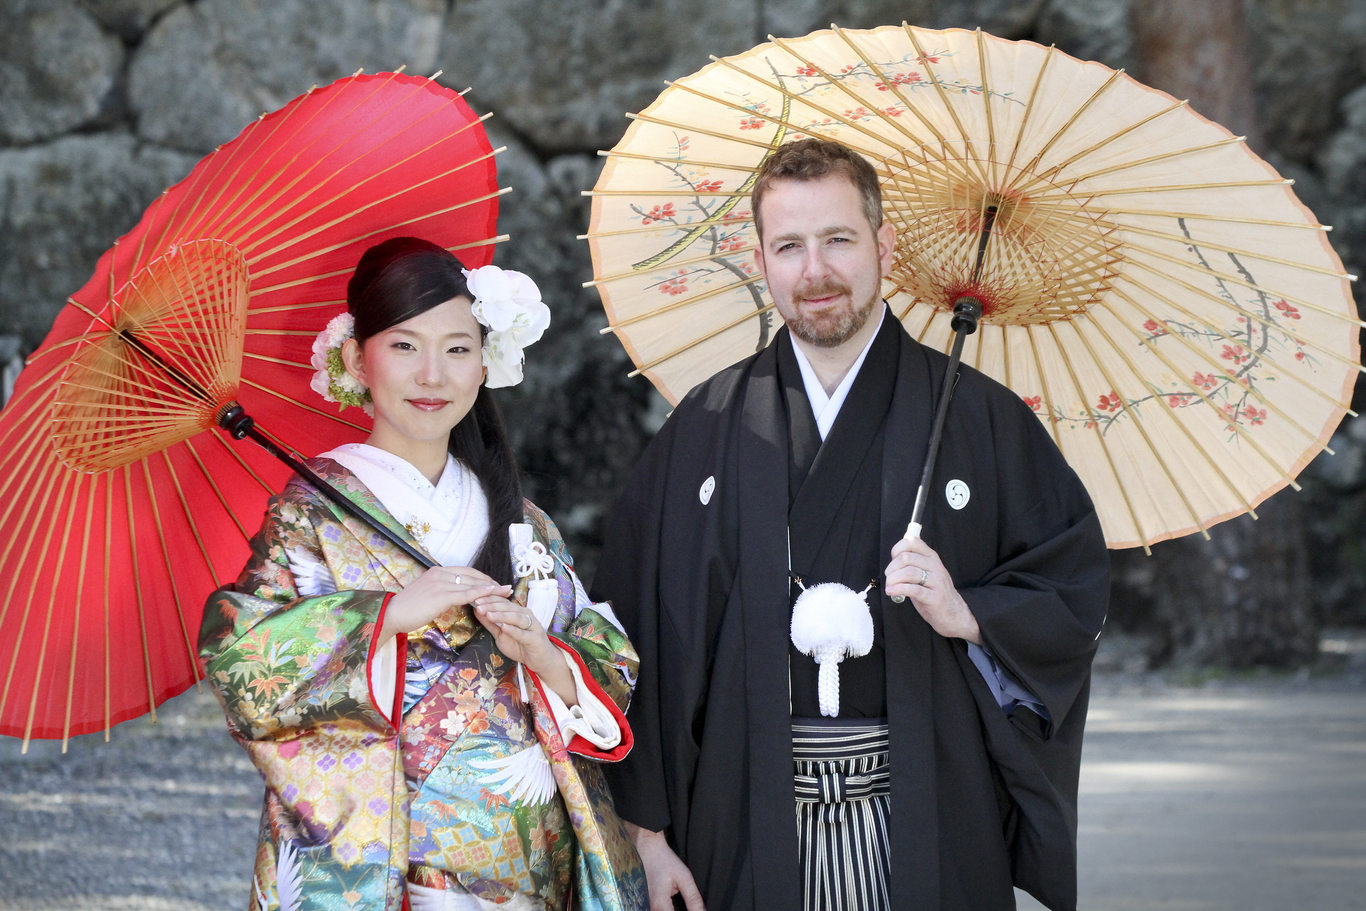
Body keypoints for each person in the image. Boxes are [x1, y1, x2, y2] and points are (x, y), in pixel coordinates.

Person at [590, 138, 1111, 911]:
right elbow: (635, 632)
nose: (816, 271)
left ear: (883, 245)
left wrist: (969, 612)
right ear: (760, 260)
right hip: (744, 816)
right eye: (789, 246)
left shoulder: (978, 418)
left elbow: (1072, 586)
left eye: (838, 239)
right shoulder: (706, 425)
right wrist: (647, 834)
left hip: (930, 811)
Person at [199, 237, 648, 911]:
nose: (432, 374)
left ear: (485, 364)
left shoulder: (521, 520)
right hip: (391, 865)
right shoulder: (311, 514)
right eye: (405, 346)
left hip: (530, 868)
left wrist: (544, 654)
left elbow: (610, 662)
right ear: (358, 359)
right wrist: (386, 615)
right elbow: (242, 662)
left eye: (457, 349)